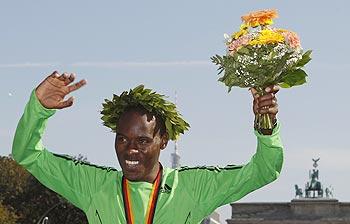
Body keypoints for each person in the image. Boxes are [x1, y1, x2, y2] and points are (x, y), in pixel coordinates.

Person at [12, 71, 283, 224]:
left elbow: (264, 170)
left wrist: (266, 124)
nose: (130, 149)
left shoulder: (194, 186)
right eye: (122, 138)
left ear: (162, 141)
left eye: (142, 141)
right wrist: (39, 109)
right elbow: (28, 154)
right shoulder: (93, 185)